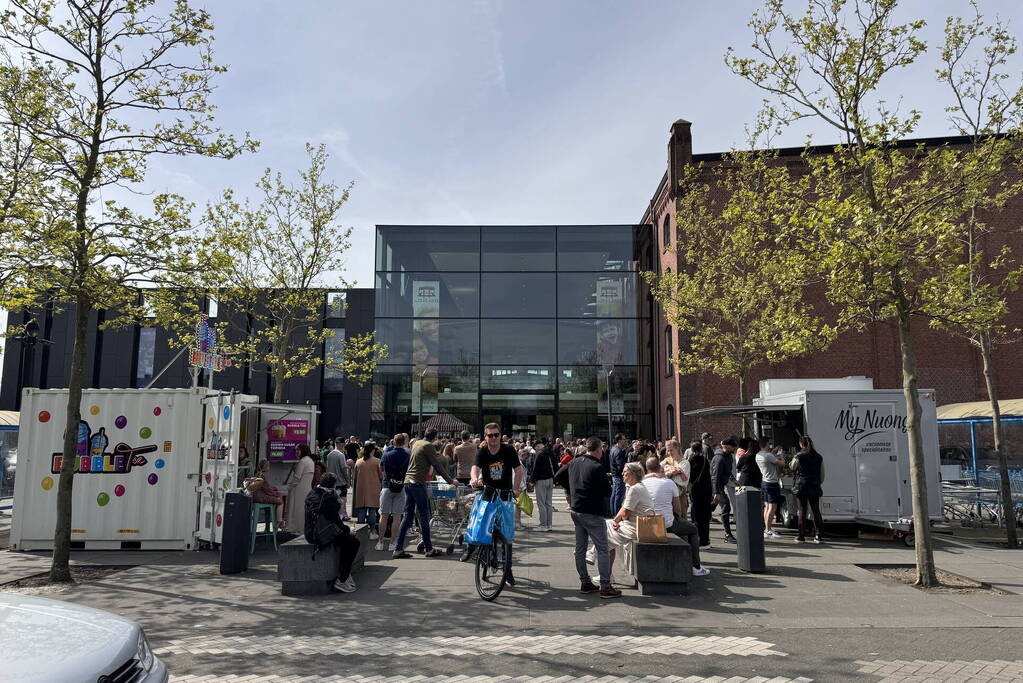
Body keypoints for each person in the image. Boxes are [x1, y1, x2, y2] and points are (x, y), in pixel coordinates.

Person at [565, 437, 620, 599]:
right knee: (603, 548)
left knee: (580, 549)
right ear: (598, 449)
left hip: (576, 509)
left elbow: (560, 474)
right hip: (592, 511)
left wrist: (572, 490)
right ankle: (605, 585)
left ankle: (585, 582)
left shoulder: (575, 462)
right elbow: (606, 491)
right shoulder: (597, 467)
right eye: (602, 449)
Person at [392, 427, 458, 559]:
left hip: (408, 481)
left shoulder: (416, 442)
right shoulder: (428, 446)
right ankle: (429, 549)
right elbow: (437, 465)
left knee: (407, 516)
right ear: (434, 437)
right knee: (424, 515)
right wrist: (451, 481)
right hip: (417, 483)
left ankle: (398, 548)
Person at [643, 457, 710, 576]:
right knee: (693, 530)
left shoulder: (642, 483)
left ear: (647, 469)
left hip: (647, 525)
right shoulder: (669, 483)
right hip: (667, 524)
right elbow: (678, 509)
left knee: (684, 529)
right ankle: (696, 566)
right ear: (660, 468)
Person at [304, 472, 360, 593]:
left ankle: (344, 573)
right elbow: (335, 522)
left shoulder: (312, 493)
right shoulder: (329, 499)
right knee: (353, 543)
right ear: (333, 485)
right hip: (322, 534)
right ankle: (343, 578)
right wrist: (348, 530)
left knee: (346, 541)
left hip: (310, 532)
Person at [602, 462, 654, 582]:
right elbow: (624, 509)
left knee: (605, 532)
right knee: (606, 532)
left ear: (632, 474)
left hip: (636, 527)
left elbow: (625, 514)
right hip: (635, 525)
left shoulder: (635, 489)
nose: (622, 474)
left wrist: (617, 521)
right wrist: (616, 520)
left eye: (625, 472)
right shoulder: (636, 486)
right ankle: (605, 573)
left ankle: (604, 571)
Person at [377, 433, 411, 551]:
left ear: (394, 442)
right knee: (397, 517)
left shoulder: (387, 454)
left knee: (384, 516)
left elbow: (381, 468)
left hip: (387, 486)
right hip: (401, 487)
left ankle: (380, 542)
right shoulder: (408, 455)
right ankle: (392, 543)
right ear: (404, 442)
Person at [791, 435, 825, 544]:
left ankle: (801, 536)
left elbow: (792, 466)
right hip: (814, 485)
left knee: (802, 511)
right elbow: (822, 475)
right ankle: (818, 535)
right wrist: (818, 482)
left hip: (801, 486)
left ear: (801, 444)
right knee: (816, 511)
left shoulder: (798, 456)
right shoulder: (819, 457)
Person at [755, 436, 785, 539]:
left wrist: (774, 452)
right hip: (772, 483)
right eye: (769, 443)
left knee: (767, 507)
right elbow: (782, 463)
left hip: (764, 482)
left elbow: (770, 457)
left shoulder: (759, 455)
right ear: (767, 444)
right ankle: (768, 530)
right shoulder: (768, 455)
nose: (770, 445)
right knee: (772, 507)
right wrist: (781, 455)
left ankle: (767, 529)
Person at [711, 437, 738, 543]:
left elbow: (727, 471)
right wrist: (716, 492)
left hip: (720, 485)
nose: (734, 448)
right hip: (716, 486)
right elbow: (715, 476)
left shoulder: (729, 457)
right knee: (726, 506)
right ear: (726, 447)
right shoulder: (720, 458)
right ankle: (728, 534)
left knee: (712, 507)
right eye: (733, 447)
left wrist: (733, 479)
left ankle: (704, 516)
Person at [353, 441, 383, 536]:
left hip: (361, 489)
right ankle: (372, 531)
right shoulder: (377, 461)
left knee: (361, 510)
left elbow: (355, 477)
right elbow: (381, 476)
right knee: (372, 510)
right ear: (373, 450)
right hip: (373, 488)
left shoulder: (358, 462)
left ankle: (360, 532)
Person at [687, 440, 713, 549]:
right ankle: (705, 539)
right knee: (705, 516)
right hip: (706, 491)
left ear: (691, 450)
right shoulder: (705, 460)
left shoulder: (691, 461)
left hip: (696, 491)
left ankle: (698, 540)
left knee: (696, 516)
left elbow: (689, 477)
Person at [284, 443, 315, 532]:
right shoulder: (310, 461)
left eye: (298, 450)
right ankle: (302, 528)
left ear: (303, 450)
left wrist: (289, 486)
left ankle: (293, 528)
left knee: (295, 509)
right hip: (307, 488)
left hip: (298, 489)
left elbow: (297, 478)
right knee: (303, 509)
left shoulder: (302, 462)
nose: (296, 452)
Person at [529, 437, 558, 531]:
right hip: (550, 479)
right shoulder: (550, 452)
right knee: (548, 503)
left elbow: (535, 469)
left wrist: (532, 481)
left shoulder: (539, 454)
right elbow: (555, 465)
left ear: (537, 447)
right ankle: (549, 524)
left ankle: (543, 525)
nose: (535, 450)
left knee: (541, 504)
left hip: (541, 480)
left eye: (535, 448)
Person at [661, 440, 690, 520]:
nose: (669, 452)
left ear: (677, 448)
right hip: (667, 496)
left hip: (679, 496)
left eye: (671, 450)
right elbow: (659, 472)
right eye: (668, 450)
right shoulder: (667, 460)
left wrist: (667, 471)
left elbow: (681, 481)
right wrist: (672, 472)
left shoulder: (685, 463)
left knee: (680, 518)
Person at [324, 438, 352, 519]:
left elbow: (327, 468)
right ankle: (341, 516)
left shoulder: (329, 455)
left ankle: (340, 515)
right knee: (343, 500)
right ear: (342, 444)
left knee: (333, 500)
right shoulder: (341, 455)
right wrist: (347, 481)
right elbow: (343, 469)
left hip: (331, 482)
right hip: (340, 482)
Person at [609, 434, 630, 516]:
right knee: (618, 496)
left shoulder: (613, 449)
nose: (625, 441)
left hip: (615, 476)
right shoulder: (618, 451)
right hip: (618, 476)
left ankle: (613, 513)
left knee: (614, 495)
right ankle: (616, 514)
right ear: (619, 440)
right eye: (624, 439)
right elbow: (620, 466)